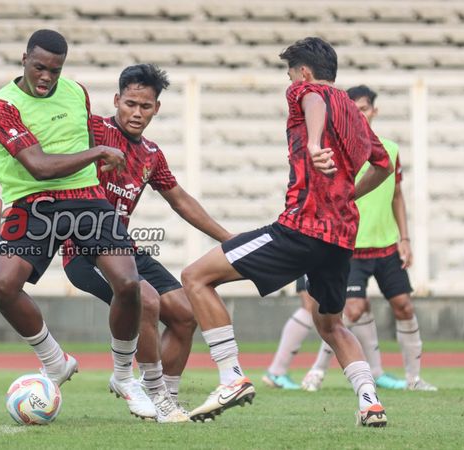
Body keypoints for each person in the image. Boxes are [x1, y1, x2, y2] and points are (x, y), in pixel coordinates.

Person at [180, 37, 394, 427]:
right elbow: (384, 166)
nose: (291, 82)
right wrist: (348, 192)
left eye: (291, 74)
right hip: (341, 239)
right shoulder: (356, 115)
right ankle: (370, 402)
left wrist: (313, 143)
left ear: (304, 73)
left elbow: (312, 99)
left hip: (301, 229)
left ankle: (231, 378)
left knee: (195, 277)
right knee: (330, 324)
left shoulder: (305, 91)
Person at [0, 30, 147, 418]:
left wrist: (112, 154)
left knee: (128, 284)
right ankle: (54, 361)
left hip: (85, 197)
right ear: (24, 59)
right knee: (1, 284)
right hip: (33, 202)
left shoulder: (77, 92)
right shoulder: (2, 107)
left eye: (55, 70)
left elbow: (91, 138)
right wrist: (98, 152)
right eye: (39, 67)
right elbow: (38, 167)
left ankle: (125, 377)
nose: (46, 77)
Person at [62, 64, 232, 422]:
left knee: (186, 315)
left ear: (156, 108)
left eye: (145, 106)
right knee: (147, 300)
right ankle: (152, 392)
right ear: (116, 100)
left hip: (122, 247)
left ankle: (165, 397)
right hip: (83, 250)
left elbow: (181, 200)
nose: (136, 112)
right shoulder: (93, 130)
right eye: (130, 103)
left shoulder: (152, 154)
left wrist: (229, 239)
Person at [301, 86, 437, 392]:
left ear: (374, 111)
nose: (360, 114)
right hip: (351, 248)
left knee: (404, 306)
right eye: (355, 109)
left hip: (387, 246)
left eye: (364, 109)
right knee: (351, 311)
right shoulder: (333, 150)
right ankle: (316, 372)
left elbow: (397, 196)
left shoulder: (388, 149)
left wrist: (405, 238)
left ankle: (414, 379)